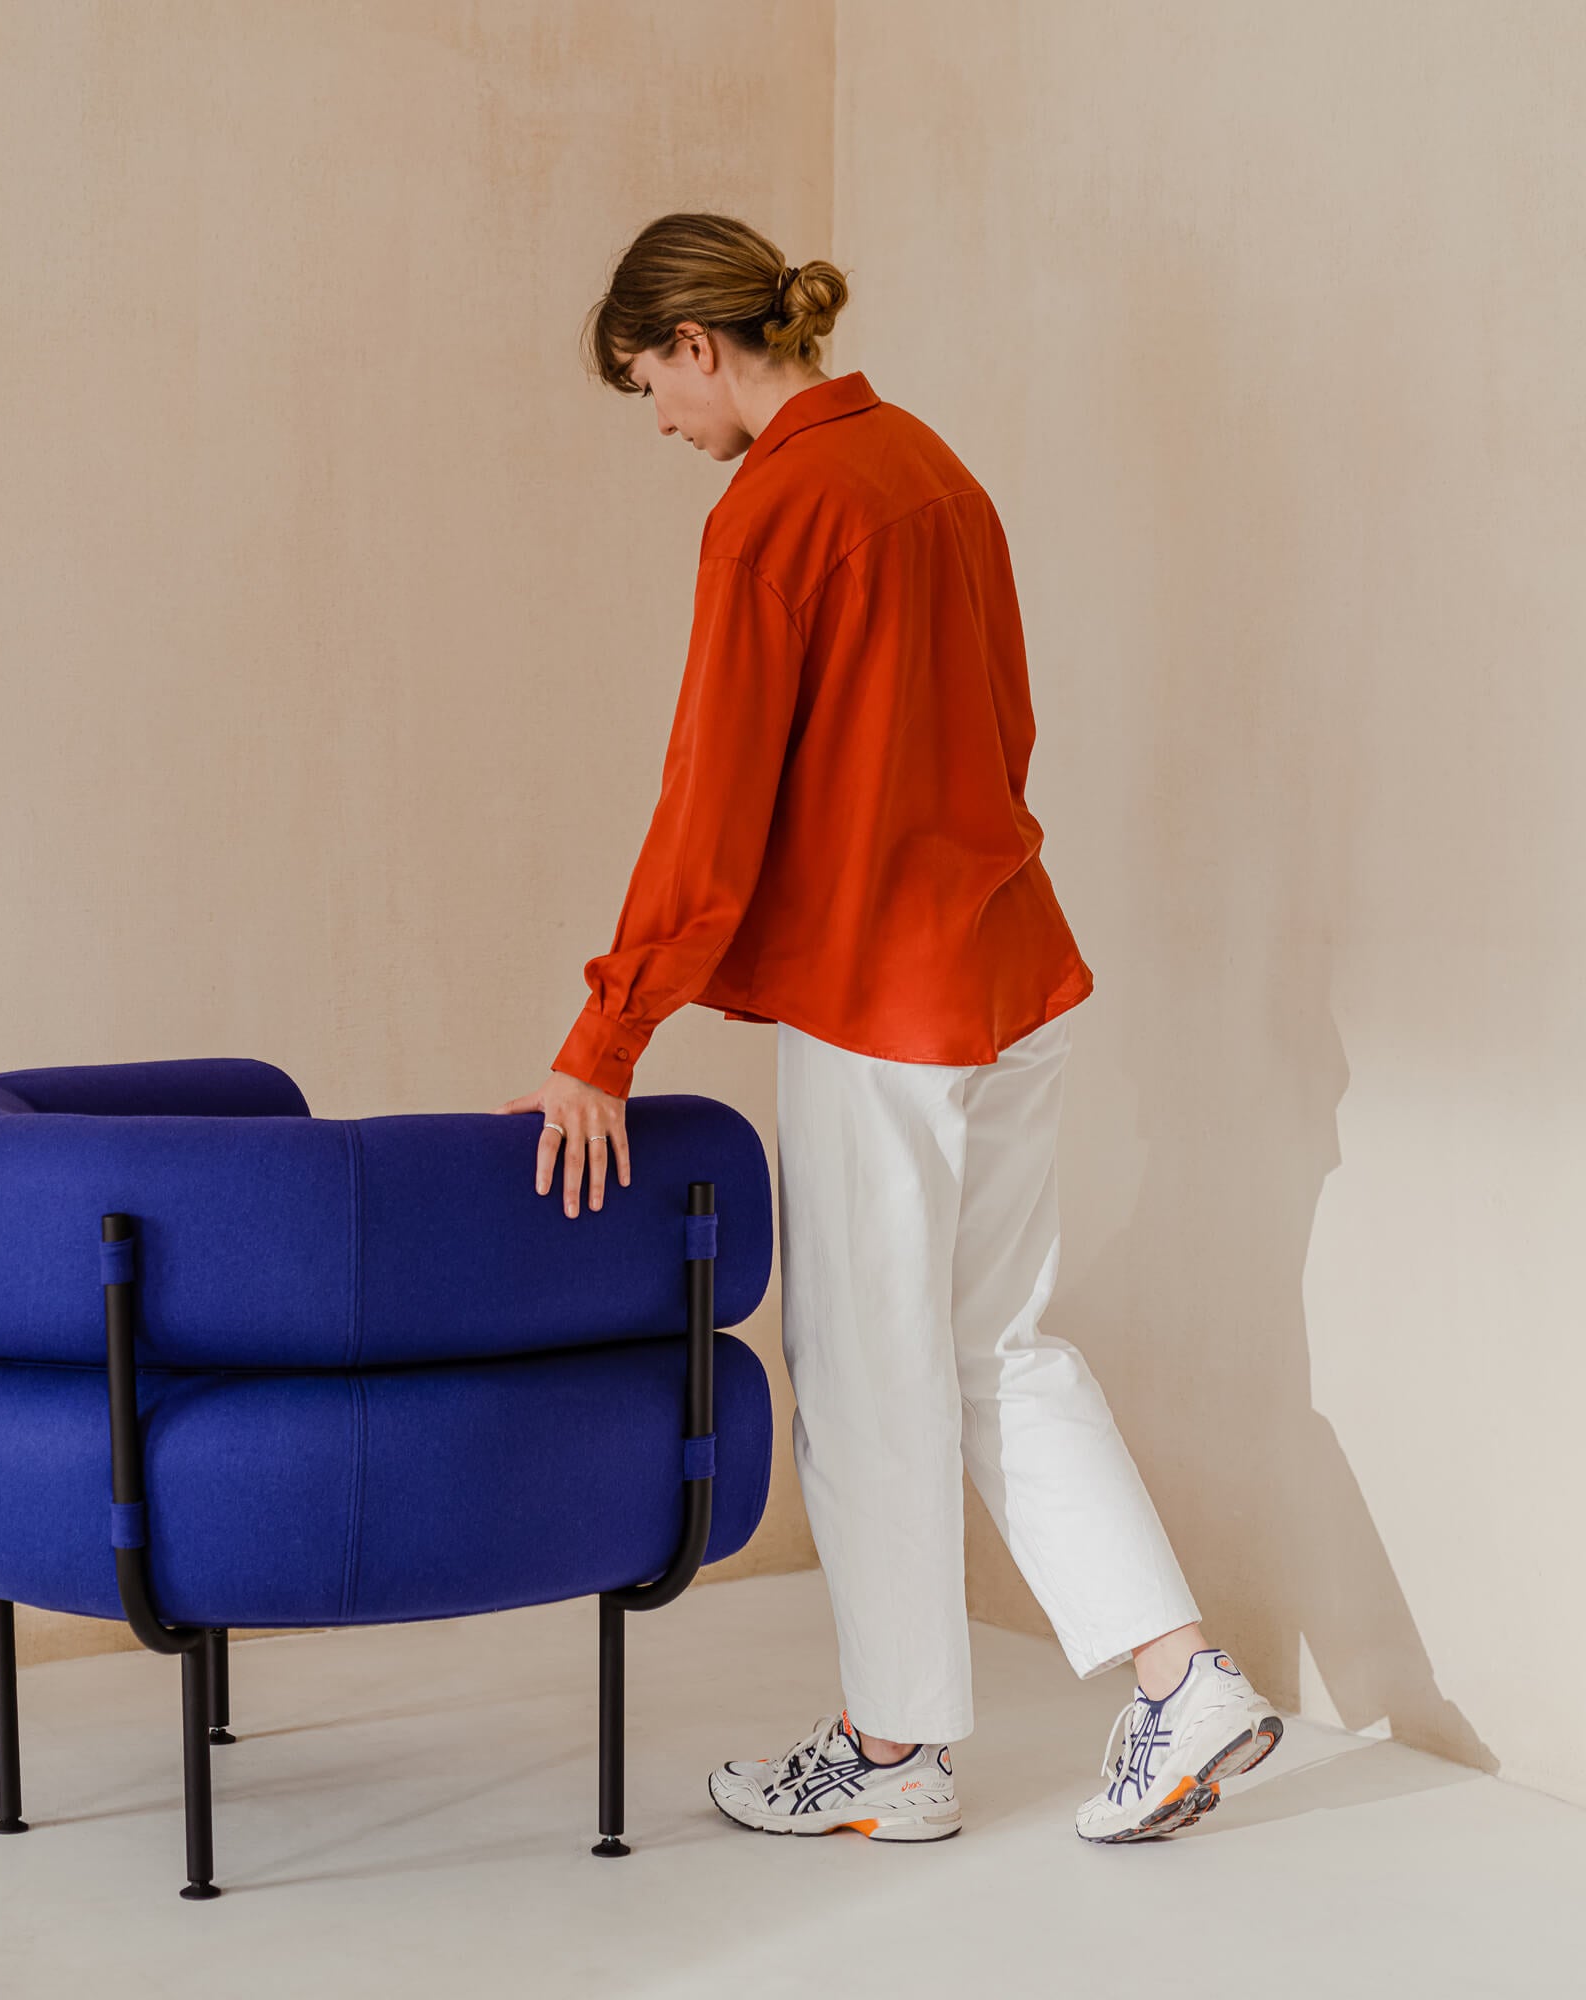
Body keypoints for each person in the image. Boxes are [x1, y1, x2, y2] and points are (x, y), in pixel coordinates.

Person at [493, 211, 1282, 1844]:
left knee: (866, 1370)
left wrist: (605, 1036)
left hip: (881, 1000)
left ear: (699, 346)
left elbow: (710, 805)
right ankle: (1182, 1676)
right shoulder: (935, 472)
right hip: (1010, 971)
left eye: (649, 384)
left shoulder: (772, 511)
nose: (658, 421)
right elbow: (1006, 730)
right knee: (1000, 1348)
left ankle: (893, 1753)